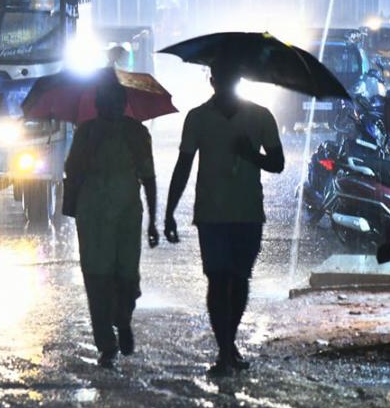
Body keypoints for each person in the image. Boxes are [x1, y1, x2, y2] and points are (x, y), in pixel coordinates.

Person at [164, 59, 285, 376]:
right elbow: (184, 166)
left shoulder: (260, 116)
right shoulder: (198, 118)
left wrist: (251, 155)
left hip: (247, 212)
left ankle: (227, 345)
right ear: (213, 80)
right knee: (219, 281)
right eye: (223, 77)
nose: (226, 83)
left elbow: (278, 163)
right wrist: (169, 211)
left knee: (239, 280)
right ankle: (225, 351)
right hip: (212, 214)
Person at [63, 74, 159, 368]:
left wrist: (154, 219)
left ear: (124, 104)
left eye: (117, 101)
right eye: (106, 101)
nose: (112, 106)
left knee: (127, 276)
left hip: (127, 214)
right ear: (98, 104)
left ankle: (123, 320)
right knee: (96, 280)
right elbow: (72, 170)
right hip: (92, 215)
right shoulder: (86, 133)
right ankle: (106, 343)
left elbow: (149, 176)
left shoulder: (138, 133)